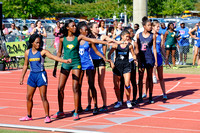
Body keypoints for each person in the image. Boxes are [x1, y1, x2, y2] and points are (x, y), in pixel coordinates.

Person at [51, 20, 111, 120]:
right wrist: (55, 67)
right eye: (73, 26)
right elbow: (58, 54)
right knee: (60, 88)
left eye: (75, 26)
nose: (75, 27)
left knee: (76, 87)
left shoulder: (79, 38)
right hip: (66, 64)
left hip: (77, 64)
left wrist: (107, 42)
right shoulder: (62, 39)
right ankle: (61, 111)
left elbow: (94, 41)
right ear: (67, 28)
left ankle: (76, 111)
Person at [19, 34, 72, 123]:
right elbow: (25, 65)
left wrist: (64, 60)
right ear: (32, 43)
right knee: (28, 97)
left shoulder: (43, 52)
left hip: (41, 76)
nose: (38, 44)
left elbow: (53, 57)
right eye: (36, 43)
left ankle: (47, 116)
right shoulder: (27, 52)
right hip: (32, 76)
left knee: (43, 96)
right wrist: (22, 77)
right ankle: (29, 116)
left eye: (40, 43)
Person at [85, 22, 120, 112]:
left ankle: (104, 104)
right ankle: (89, 104)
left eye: (98, 27)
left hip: (100, 60)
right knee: (91, 84)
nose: (98, 29)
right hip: (91, 61)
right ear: (91, 29)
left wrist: (118, 42)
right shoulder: (88, 37)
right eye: (96, 27)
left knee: (101, 84)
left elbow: (110, 40)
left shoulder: (102, 36)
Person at [76, 22, 110, 114]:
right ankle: (79, 106)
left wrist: (104, 58)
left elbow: (96, 49)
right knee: (78, 86)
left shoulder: (89, 40)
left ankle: (96, 105)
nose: (86, 32)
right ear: (80, 30)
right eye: (85, 30)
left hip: (88, 65)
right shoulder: (76, 40)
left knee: (91, 84)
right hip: (79, 65)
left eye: (87, 30)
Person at [108, 30, 137, 108]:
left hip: (126, 66)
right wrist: (110, 62)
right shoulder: (116, 45)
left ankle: (128, 101)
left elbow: (133, 54)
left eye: (129, 36)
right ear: (122, 36)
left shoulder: (130, 46)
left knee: (127, 84)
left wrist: (135, 60)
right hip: (117, 67)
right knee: (116, 86)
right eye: (126, 36)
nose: (128, 38)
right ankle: (119, 101)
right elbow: (109, 54)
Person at [135, 18, 157, 104]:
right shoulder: (138, 35)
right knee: (140, 78)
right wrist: (137, 59)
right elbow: (136, 48)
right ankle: (140, 96)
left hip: (149, 58)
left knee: (149, 78)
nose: (150, 27)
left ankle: (150, 96)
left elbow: (154, 48)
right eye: (148, 25)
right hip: (141, 58)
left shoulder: (153, 36)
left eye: (151, 25)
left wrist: (155, 60)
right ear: (144, 26)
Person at [144, 21, 167, 100]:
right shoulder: (149, 35)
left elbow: (162, 48)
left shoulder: (160, 36)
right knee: (148, 77)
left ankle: (164, 93)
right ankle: (145, 93)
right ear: (153, 27)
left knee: (161, 77)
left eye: (159, 27)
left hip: (159, 57)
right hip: (151, 58)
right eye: (157, 26)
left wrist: (166, 58)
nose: (158, 28)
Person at [119, 27, 138, 105]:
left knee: (133, 81)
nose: (130, 34)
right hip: (122, 63)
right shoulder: (120, 43)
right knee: (122, 82)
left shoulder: (133, 42)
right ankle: (120, 99)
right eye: (129, 33)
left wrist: (135, 58)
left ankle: (133, 99)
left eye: (131, 32)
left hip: (131, 62)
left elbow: (136, 51)